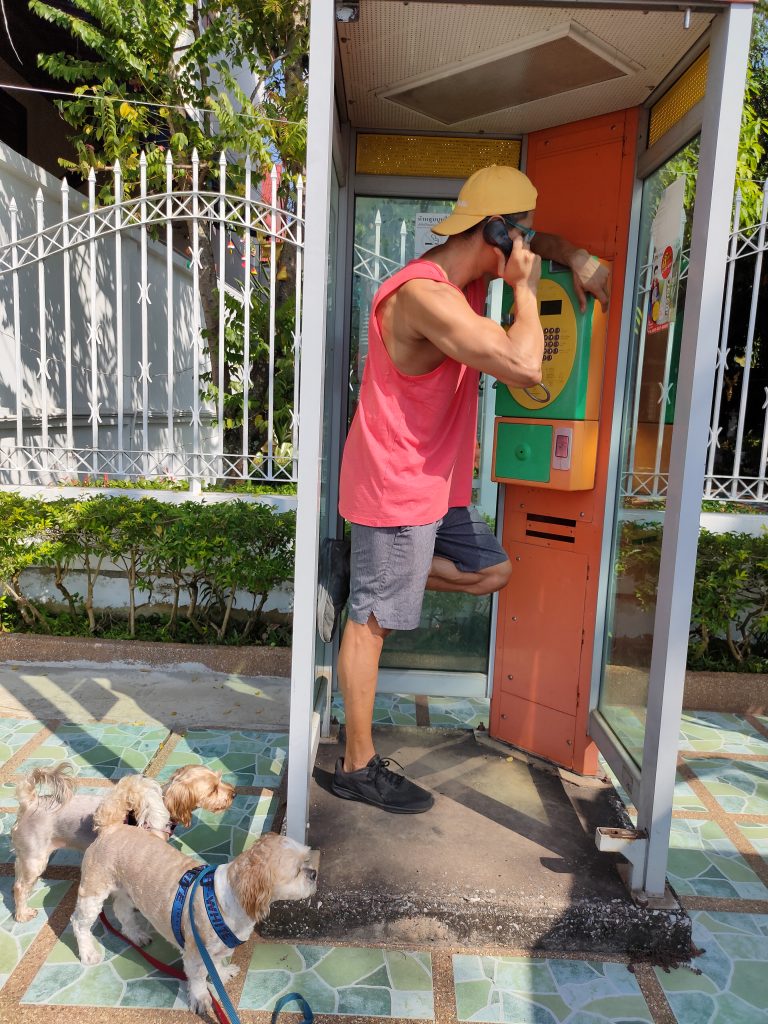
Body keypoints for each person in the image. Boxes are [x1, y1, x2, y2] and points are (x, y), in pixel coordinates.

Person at [318, 165, 610, 814]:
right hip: (396, 482)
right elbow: (524, 362)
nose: (529, 248)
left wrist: (579, 259)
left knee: (492, 571)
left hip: (436, 485)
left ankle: (356, 571)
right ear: (496, 233)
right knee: (373, 625)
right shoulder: (428, 297)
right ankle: (356, 766)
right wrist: (528, 294)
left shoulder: (463, 273)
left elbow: (545, 243)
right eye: (520, 235)